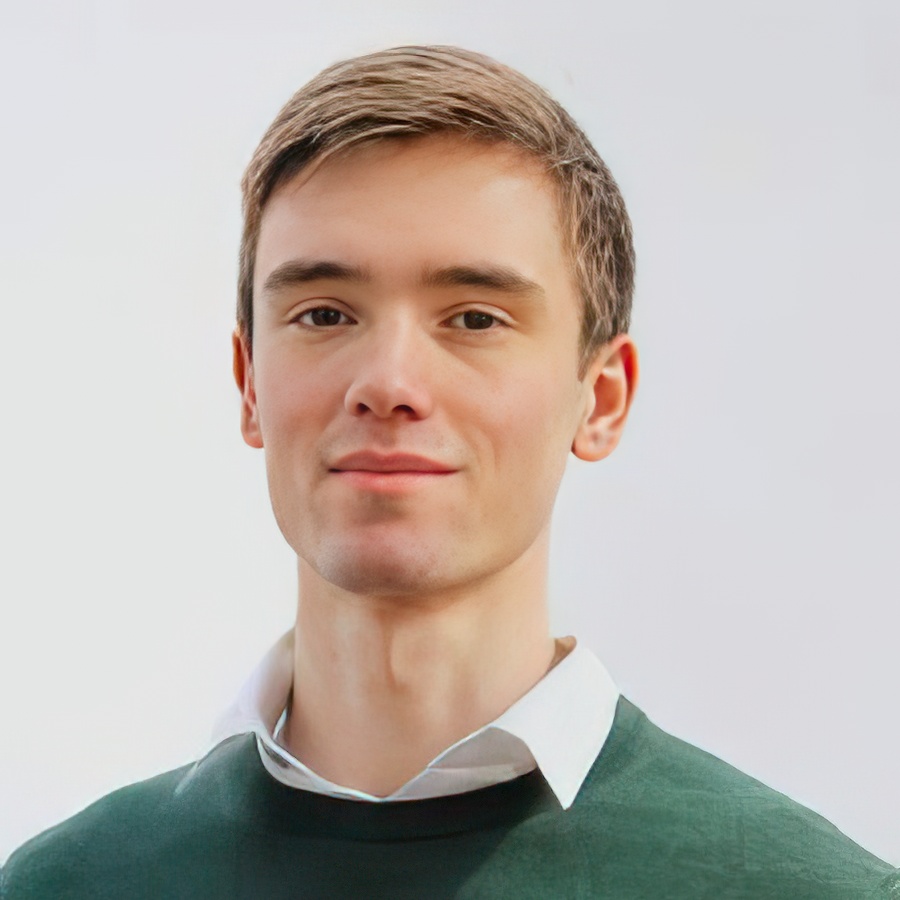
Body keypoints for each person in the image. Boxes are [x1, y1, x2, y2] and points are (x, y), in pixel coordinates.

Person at [1, 45, 896, 900]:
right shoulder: (63, 888)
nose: (388, 382)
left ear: (602, 398)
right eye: (324, 314)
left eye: (474, 319)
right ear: (249, 387)